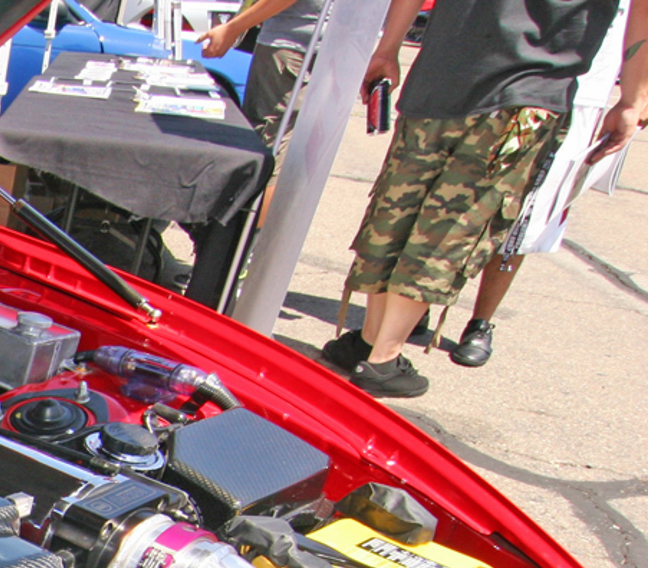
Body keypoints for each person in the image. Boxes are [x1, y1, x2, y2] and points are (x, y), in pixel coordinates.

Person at [320, 0, 648, 397]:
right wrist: (632, 99)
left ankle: (371, 340)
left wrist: (388, 48)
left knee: (397, 205)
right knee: (455, 225)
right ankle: (383, 357)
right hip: (525, 93)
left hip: (441, 75)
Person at [200, 0, 327, 146]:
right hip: (326, 45)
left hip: (291, 45)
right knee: (302, 137)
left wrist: (232, 29)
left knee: (272, 134)